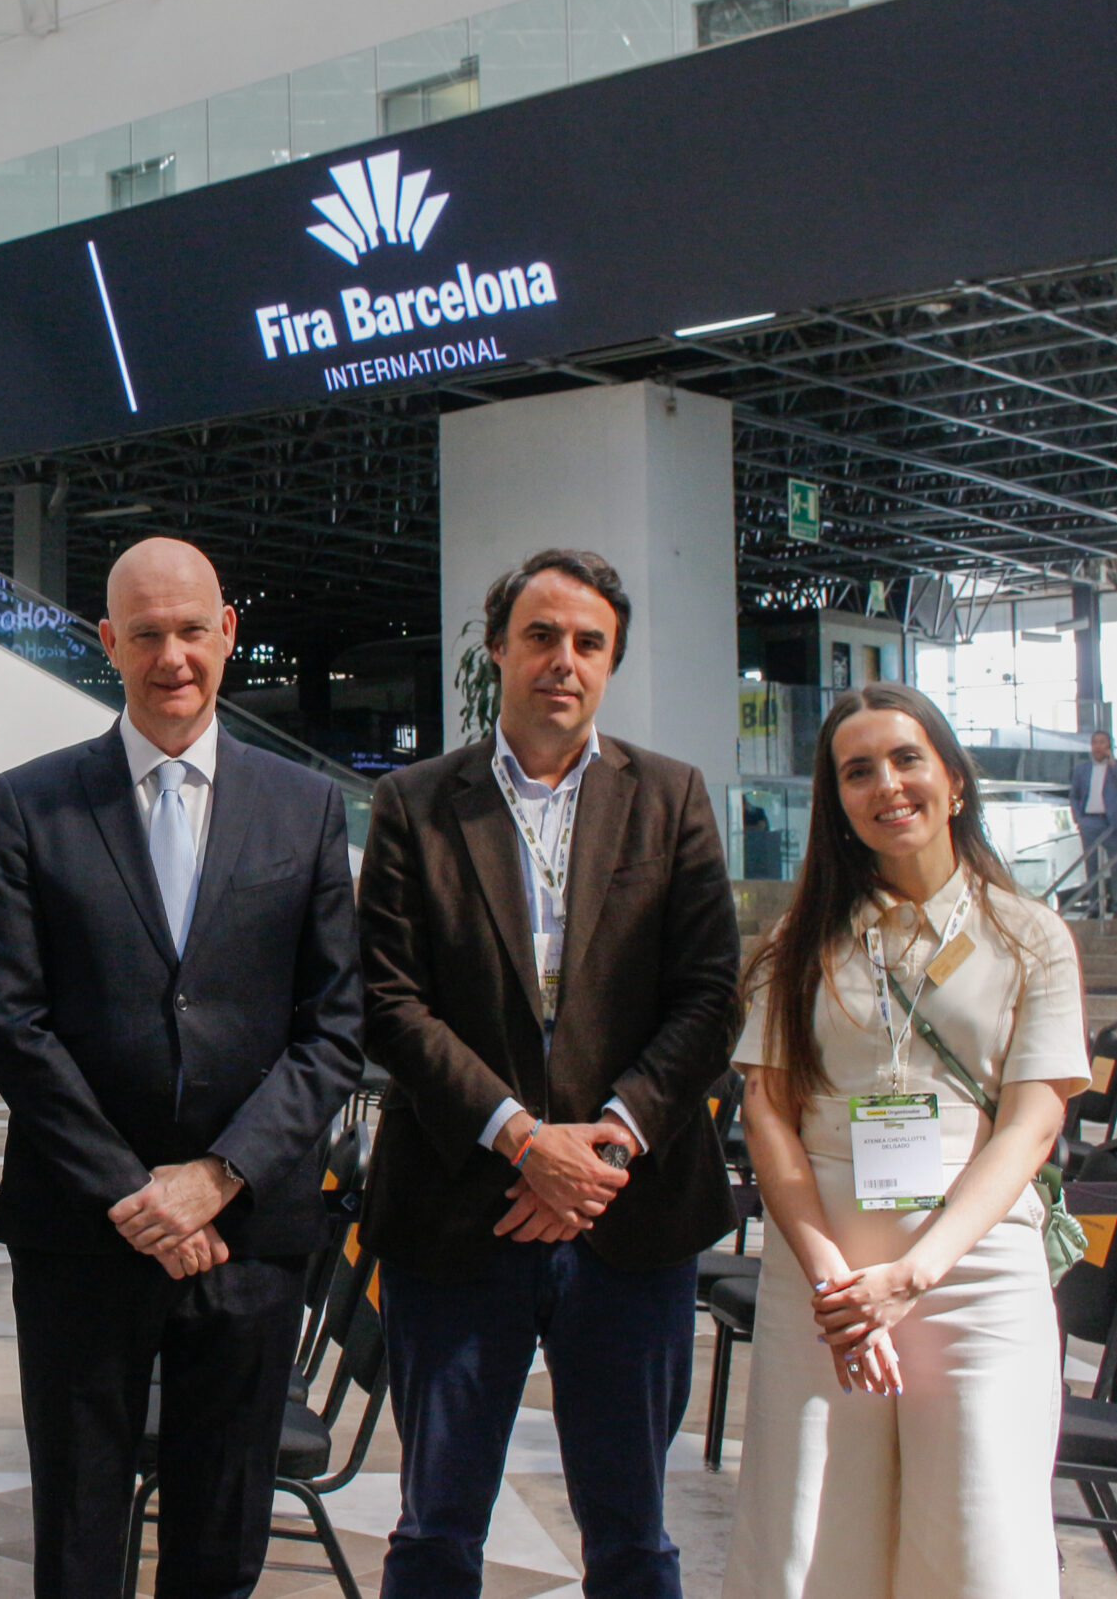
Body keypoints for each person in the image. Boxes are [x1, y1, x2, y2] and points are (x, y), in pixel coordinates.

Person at [0, 539, 362, 1599]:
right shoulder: (34, 802)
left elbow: (334, 1028)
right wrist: (135, 1191)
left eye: (192, 629)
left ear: (228, 631)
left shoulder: (304, 807)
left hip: (249, 1236)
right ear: (108, 643)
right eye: (145, 634)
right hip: (80, 1234)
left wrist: (217, 1176)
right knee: (76, 1541)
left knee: (220, 1544)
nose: (172, 656)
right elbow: (12, 1020)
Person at [358, 548, 740, 1599]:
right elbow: (389, 1002)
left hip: (629, 1217)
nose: (562, 660)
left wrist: (604, 1145)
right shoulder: (413, 803)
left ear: (610, 662)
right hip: (458, 1211)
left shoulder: (670, 797)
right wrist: (523, 1140)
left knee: (632, 1536)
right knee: (435, 1529)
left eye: (587, 643)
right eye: (540, 636)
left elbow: (711, 996)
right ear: (496, 649)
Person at [724, 684, 1087, 1596]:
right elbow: (768, 1115)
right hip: (827, 1284)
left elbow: (1034, 1121)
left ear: (954, 780)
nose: (886, 784)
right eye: (857, 771)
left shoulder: (1030, 936)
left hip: (974, 1277)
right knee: (809, 1544)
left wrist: (915, 1273)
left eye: (906, 758)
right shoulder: (796, 943)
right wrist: (836, 1281)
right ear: (838, 802)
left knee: (977, 1546)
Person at [1068, 730, 1117, 918]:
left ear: (1109, 745)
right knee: (1091, 865)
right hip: (1090, 820)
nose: (1098, 746)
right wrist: (1078, 817)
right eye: (1095, 742)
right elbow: (1074, 795)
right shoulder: (1082, 769)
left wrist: (1113, 763)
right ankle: (1095, 905)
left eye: (1102, 742)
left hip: (1113, 822)